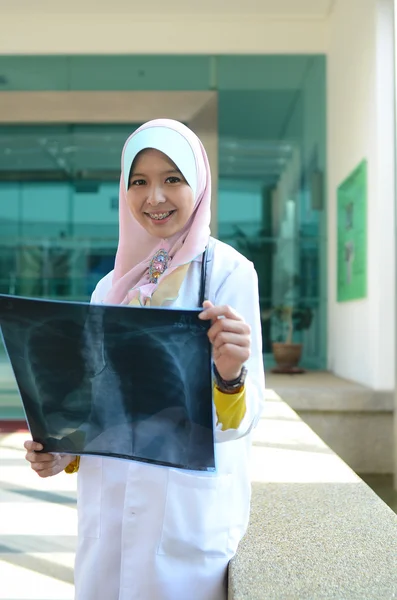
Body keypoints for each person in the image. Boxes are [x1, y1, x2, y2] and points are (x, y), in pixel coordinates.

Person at [24, 119, 265, 600]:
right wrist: (64, 448)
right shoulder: (109, 287)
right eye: (140, 181)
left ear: (197, 185)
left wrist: (230, 375)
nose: (154, 196)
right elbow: (99, 400)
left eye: (172, 178)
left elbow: (243, 420)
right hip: (108, 508)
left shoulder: (228, 273)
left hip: (182, 515)